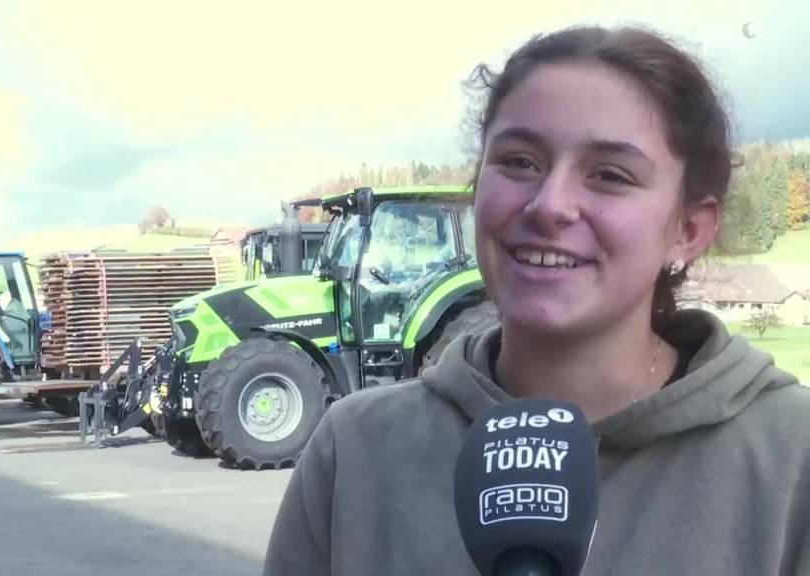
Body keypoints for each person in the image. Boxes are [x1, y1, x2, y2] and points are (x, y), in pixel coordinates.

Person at [262, 25, 810, 575]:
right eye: (521, 162)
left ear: (688, 230)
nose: (550, 206)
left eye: (610, 175)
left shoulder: (791, 458)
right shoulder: (354, 450)